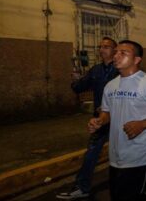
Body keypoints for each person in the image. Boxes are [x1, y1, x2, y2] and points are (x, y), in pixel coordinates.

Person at [88, 40, 146, 201]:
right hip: (116, 152)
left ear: (136, 60)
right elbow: (106, 112)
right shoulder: (110, 86)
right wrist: (99, 121)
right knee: (118, 195)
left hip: (139, 152)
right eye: (116, 52)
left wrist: (143, 124)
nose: (116, 56)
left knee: (131, 195)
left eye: (123, 53)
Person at [57, 37, 118, 200]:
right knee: (91, 153)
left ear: (115, 50)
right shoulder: (96, 70)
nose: (102, 49)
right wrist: (76, 78)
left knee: (122, 153)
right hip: (101, 120)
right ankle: (82, 187)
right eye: (100, 47)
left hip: (120, 119)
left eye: (106, 46)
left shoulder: (121, 69)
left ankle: (129, 185)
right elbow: (79, 88)